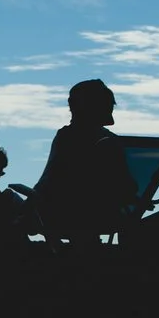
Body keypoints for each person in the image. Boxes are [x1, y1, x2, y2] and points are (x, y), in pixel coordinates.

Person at [34, 80, 137, 244]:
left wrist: (28, 208)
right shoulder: (110, 141)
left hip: (70, 216)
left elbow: (48, 183)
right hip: (101, 216)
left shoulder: (68, 138)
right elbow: (128, 188)